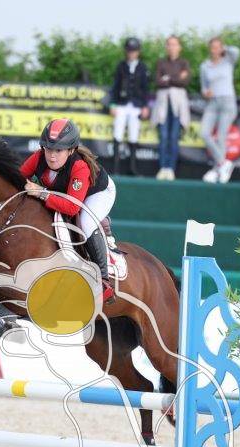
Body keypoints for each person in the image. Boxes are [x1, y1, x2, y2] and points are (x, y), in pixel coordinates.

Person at [19, 118, 117, 301]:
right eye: (48, 149)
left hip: (97, 194)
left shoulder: (79, 166)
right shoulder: (38, 157)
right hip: (67, 194)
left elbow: (71, 208)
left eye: (59, 150)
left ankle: (104, 280)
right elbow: (17, 178)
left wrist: (42, 193)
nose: (52, 156)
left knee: (85, 223)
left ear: (71, 150)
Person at [108, 37, 151, 176]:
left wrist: (145, 106)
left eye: (134, 51)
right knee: (118, 132)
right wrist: (113, 104)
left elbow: (145, 89)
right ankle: (115, 168)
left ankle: (132, 168)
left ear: (138, 52)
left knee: (133, 134)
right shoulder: (121, 66)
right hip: (122, 104)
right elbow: (115, 86)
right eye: (129, 51)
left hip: (136, 105)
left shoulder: (142, 67)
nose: (131, 53)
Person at [199, 37, 240, 183]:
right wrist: (205, 93)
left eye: (217, 47)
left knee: (221, 137)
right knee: (204, 133)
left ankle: (218, 170)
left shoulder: (228, 61)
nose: (214, 50)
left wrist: (225, 48)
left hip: (227, 103)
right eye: (212, 47)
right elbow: (203, 87)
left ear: (221, 48)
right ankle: (223, 164)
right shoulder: (205, 66)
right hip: (212, 104)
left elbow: (236, 51)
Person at [153, 35, 191, 181]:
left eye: (174, 44)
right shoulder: (161, 62)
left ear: (179, 47)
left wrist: (168, 78)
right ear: (166, 47)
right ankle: (163, 168)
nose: (172, 47)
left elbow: (185, 82)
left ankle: (171, 169)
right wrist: (176, 78)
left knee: (174, 137)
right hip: (163, 105)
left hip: (178, 106)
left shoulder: (184, 63)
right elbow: (158, 81)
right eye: (169, 44)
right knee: (163, 137)